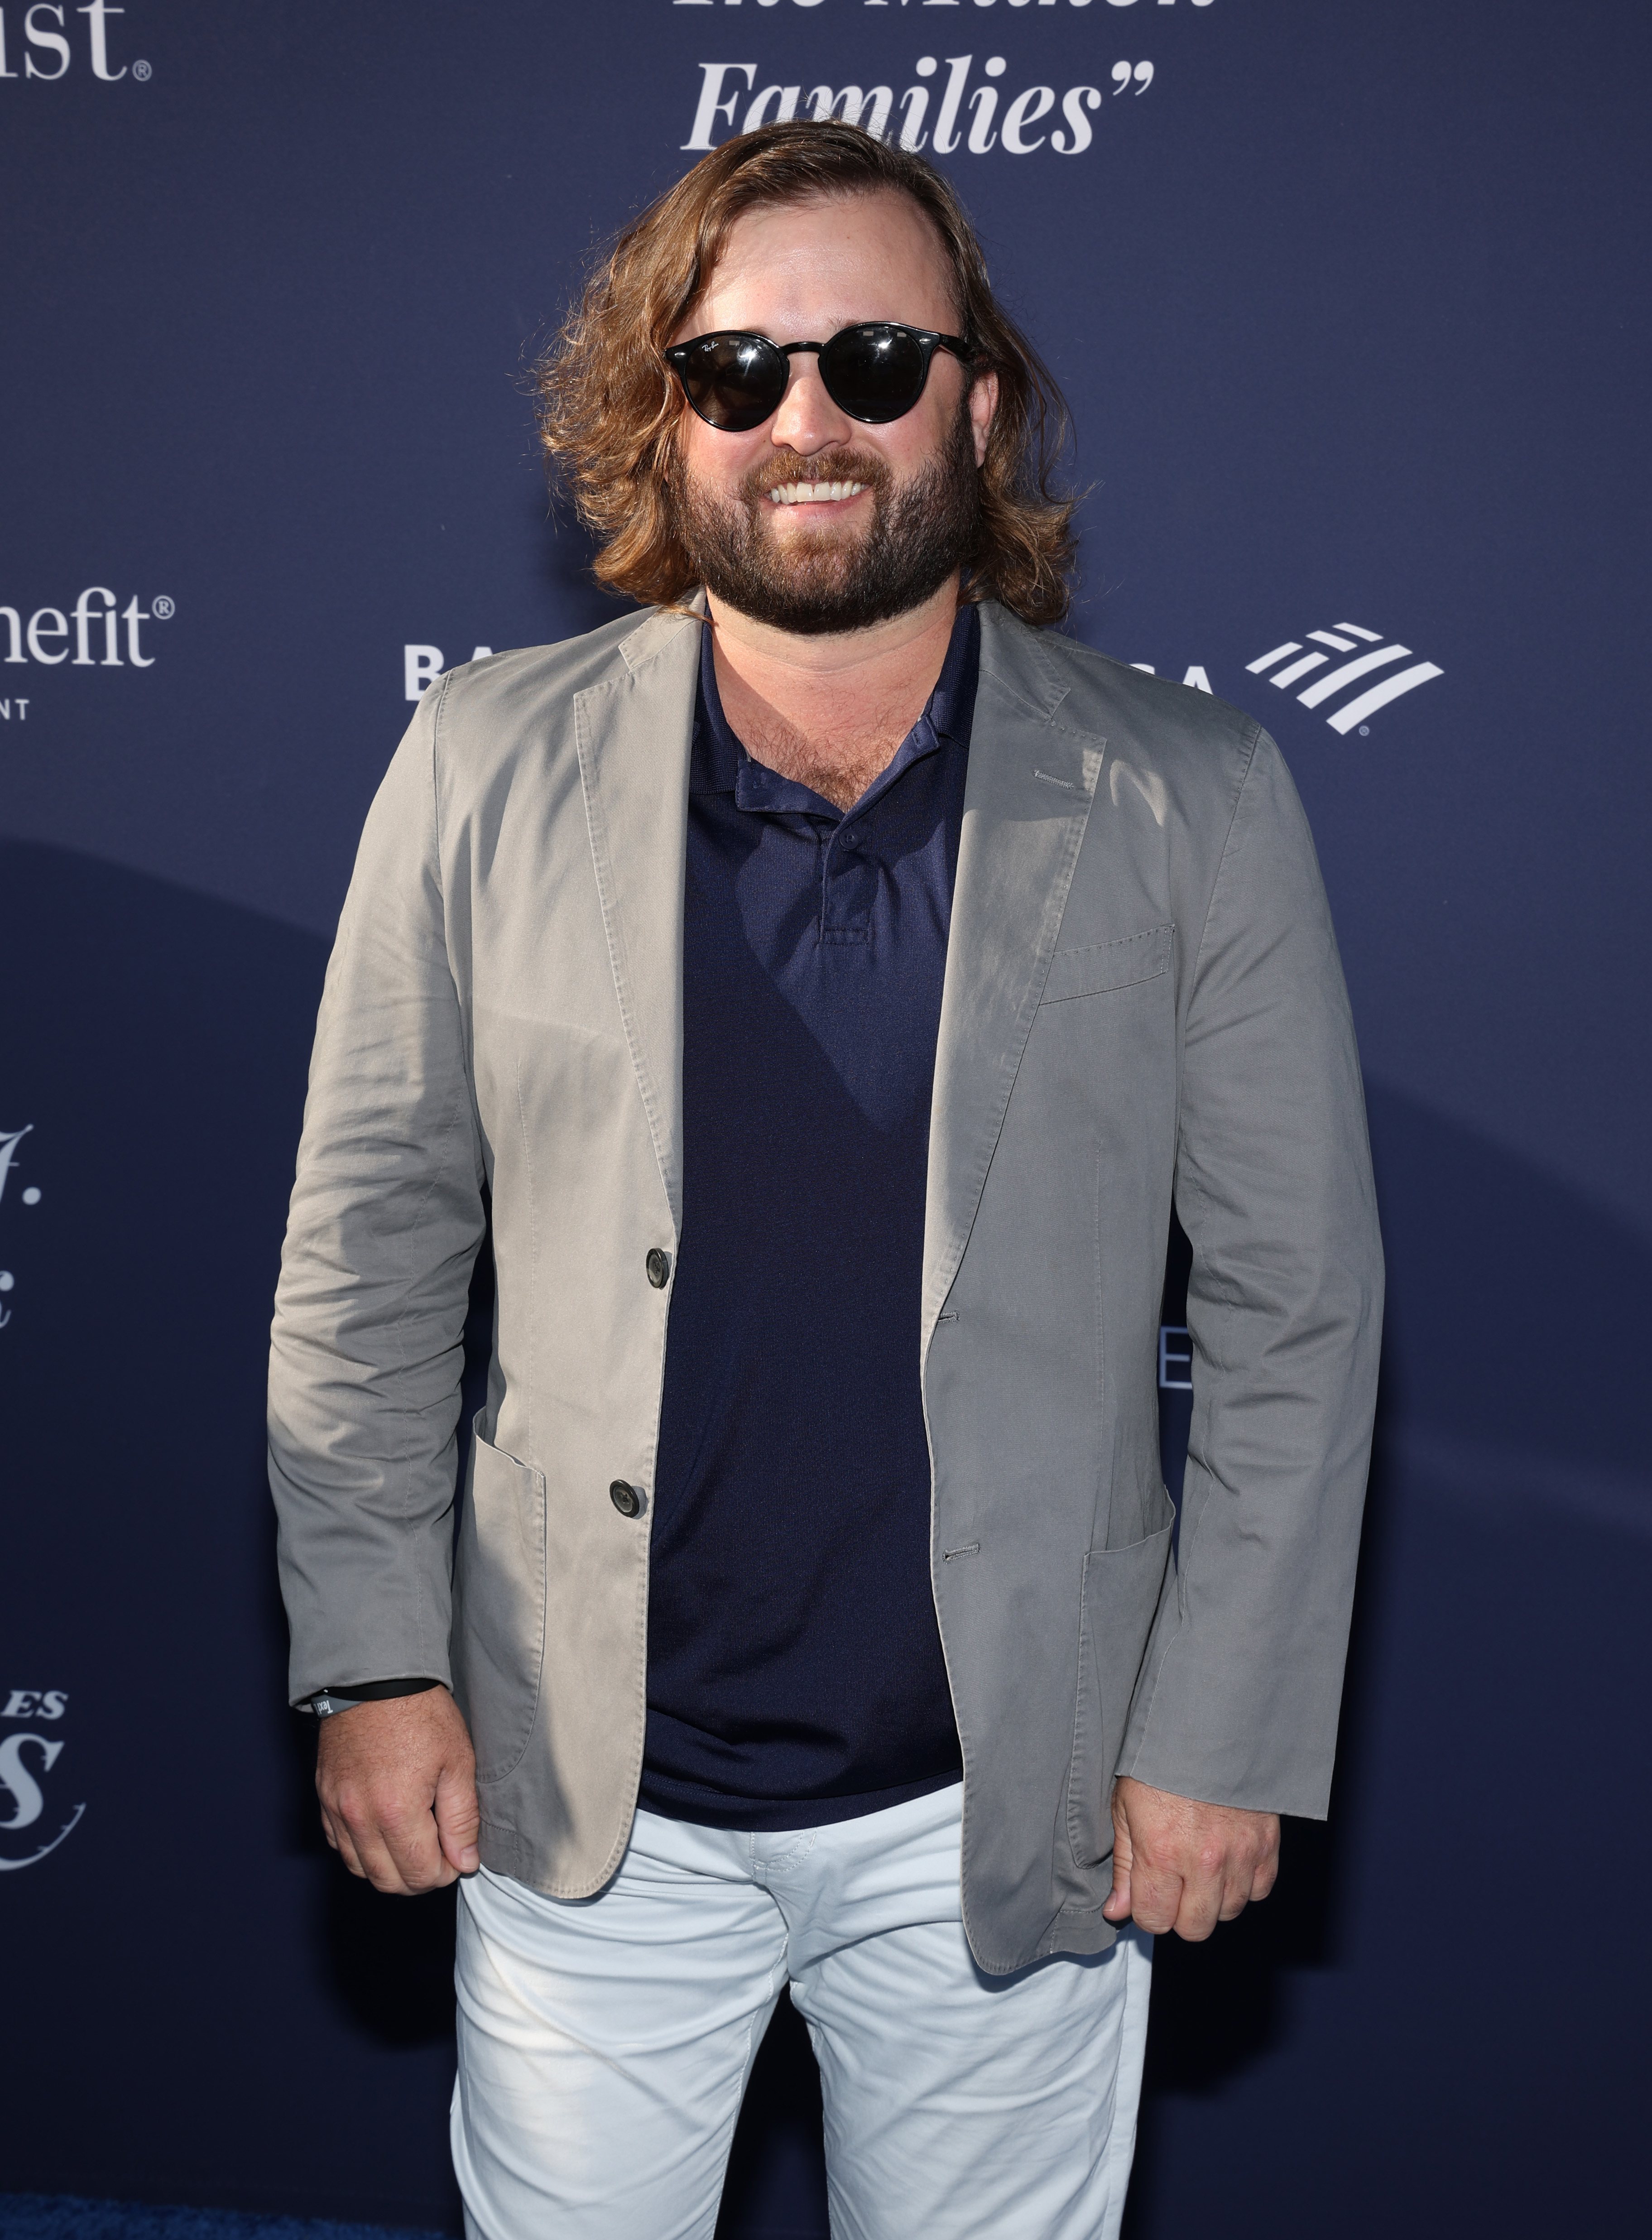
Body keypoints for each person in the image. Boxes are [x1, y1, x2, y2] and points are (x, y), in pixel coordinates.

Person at [269, 121, 1383, 2240]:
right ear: (660, 415)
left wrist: (1222, 1729)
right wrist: (374, 1658)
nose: (809, 421)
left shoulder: (1193, 797)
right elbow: (369, 1254)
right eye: (737, 371)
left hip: (1013, 1803)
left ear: (975, 397)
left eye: (877, 361)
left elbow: (1293, 1311)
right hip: (580, 1791)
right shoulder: (483, 763)